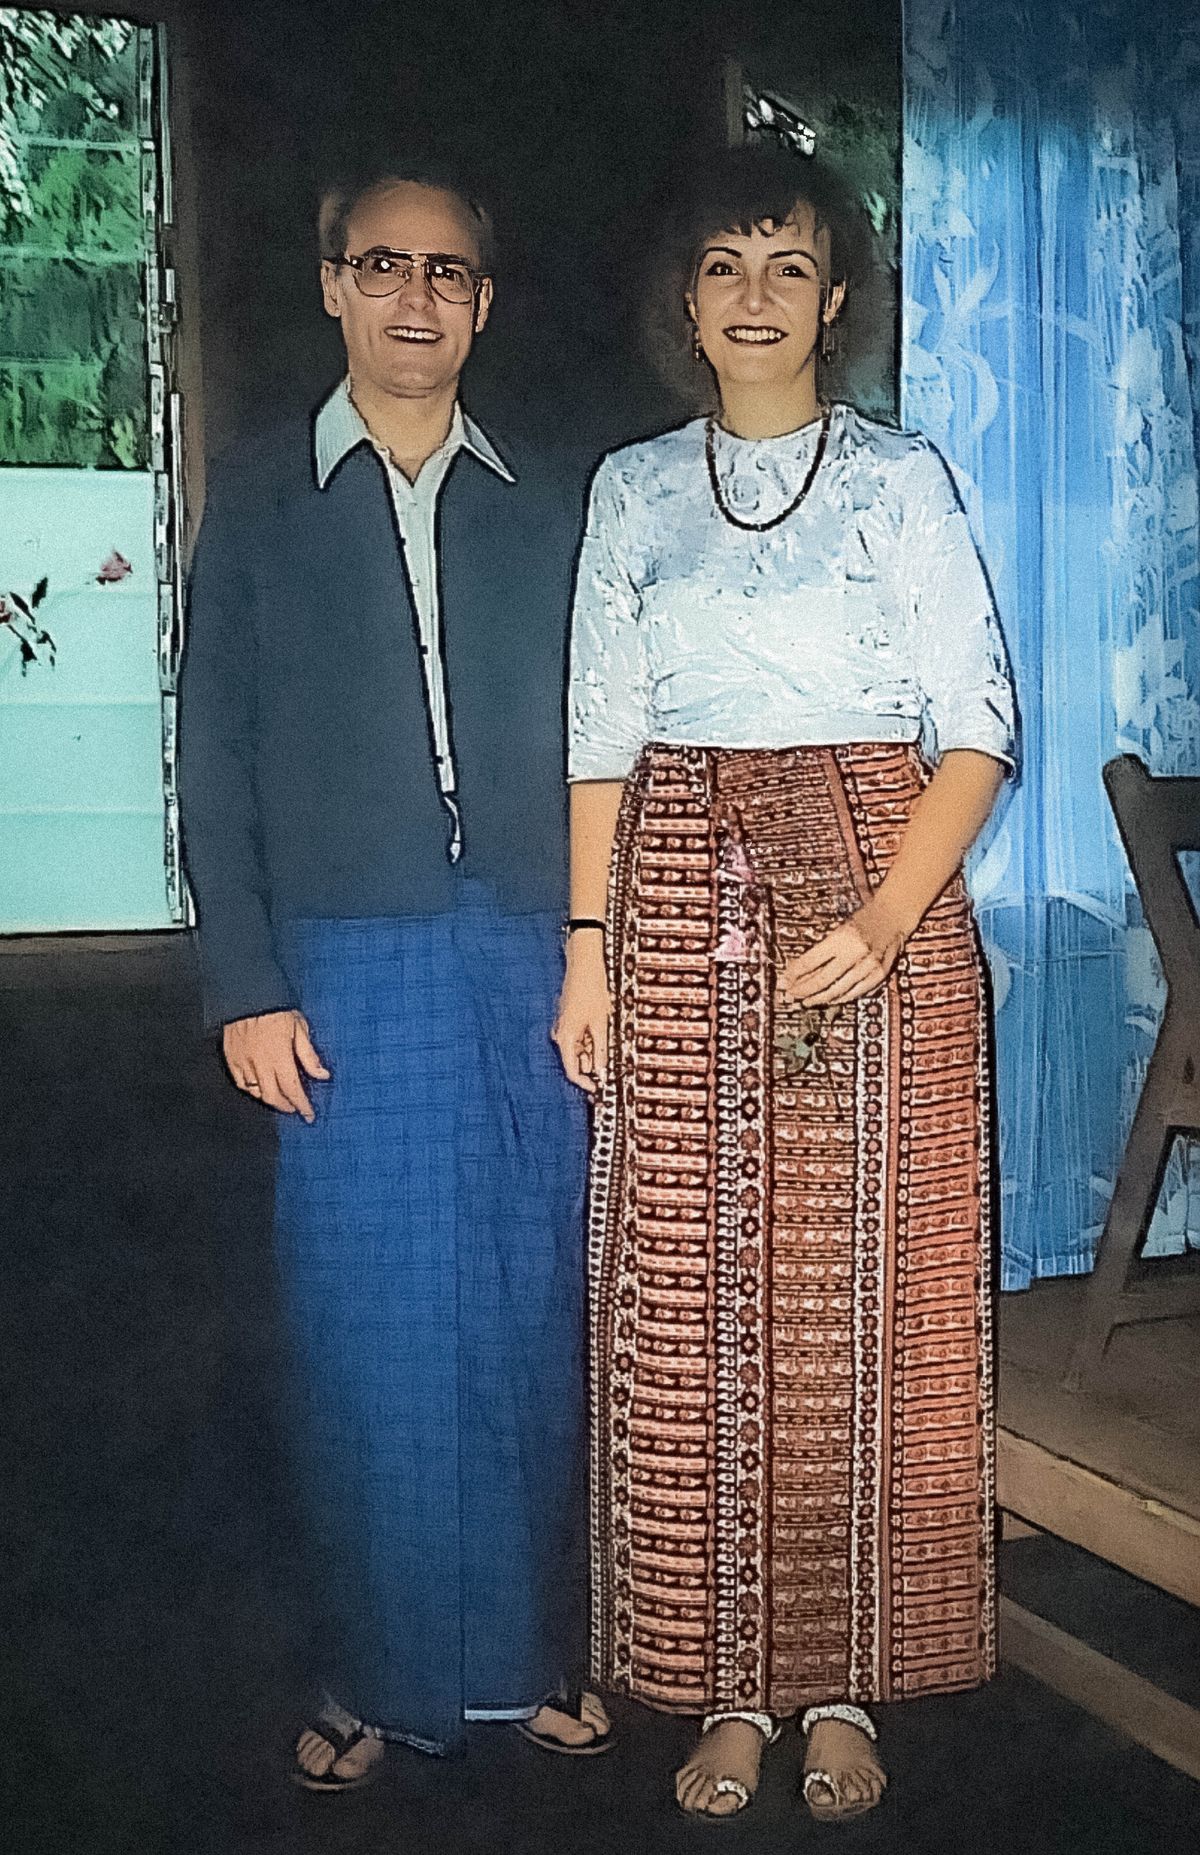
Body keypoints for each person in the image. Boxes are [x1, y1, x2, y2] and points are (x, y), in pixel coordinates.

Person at [553, 143, 1016, 1825]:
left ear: (837, 296)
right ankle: (730, 1688)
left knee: (864, 1308)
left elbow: (979, 728)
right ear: (687, 297)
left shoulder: (906, 484)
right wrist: (587, 952)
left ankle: (843, 1686)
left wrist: (888, 922)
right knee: (696, 1296)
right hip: (674, 901)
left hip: (872, 899)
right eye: (725, 261)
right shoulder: (630, 488)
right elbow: (602, 734)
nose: (756, 294)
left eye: (788, 263)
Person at [180, 161, 610, 1786]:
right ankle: (371, 1671)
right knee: (361, 1328)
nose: (416, 297)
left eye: (448, 272)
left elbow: (607, 738)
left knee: (525, 1313)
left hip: (529, 953)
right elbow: (213, 757)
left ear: (483, 303)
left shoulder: (554, 498)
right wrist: (244, 980)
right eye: (384, 265)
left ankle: (521, 1661)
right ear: (333, 285)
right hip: (342, 967)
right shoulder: (265, 493)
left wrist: (601, 943)